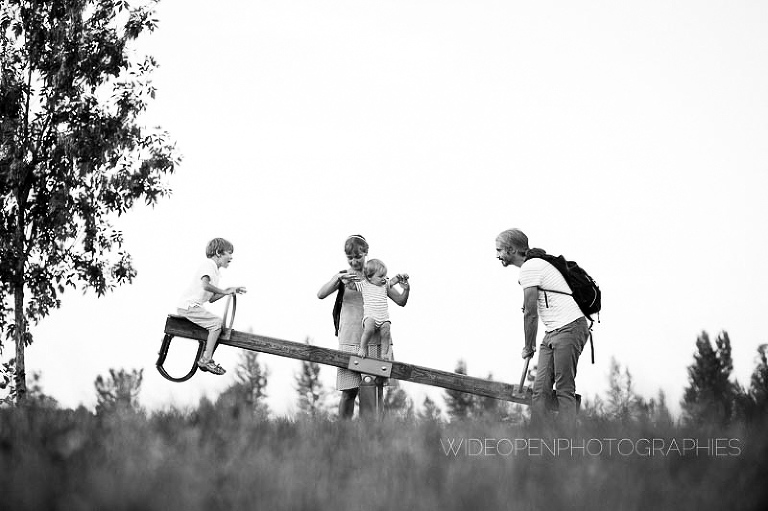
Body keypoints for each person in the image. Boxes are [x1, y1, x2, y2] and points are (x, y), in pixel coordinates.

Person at [495, 228, 589, 425]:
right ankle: (538, 440)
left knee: (564, 389)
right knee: (540, 390)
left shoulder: (530, 268)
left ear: (511, 250)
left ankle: (566, 442)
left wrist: (528, 346)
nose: (497, 255)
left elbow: (530, 313)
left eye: (500, 250)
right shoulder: (533, 267)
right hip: (553, 332)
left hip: (570, 328)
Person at [317, 235, 410, 419]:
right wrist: (338, 278)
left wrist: (406, 288)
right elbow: (320, 294)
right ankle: (343, 433)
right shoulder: (344, 277)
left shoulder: (376, 277)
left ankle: (374, 432)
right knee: (349, 391)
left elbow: (400, 301)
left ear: (365, 253)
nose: (354, 261)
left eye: (358, 257)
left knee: (376, 391)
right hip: (350, 340)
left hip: (375, 340)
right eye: (350, 257)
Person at [176, 238, 247, 376]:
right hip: (188, 306)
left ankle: (206, 358)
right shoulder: (209, 264)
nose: (231, 257)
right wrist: (225, 291)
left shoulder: (215, 272)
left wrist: (228, 290)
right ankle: (206, 360)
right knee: (216, 324)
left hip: (192, 306)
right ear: (218, 253)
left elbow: (212, 298)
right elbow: (205, 285)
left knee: (216, 324)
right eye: (229, 253)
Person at [353, 258, 408, 361]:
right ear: (369, 277)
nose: (384, 278)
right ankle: (363, 347)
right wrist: (347, 281)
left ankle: (384, 354)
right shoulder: (365, 284)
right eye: (380, 276)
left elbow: (392, 281)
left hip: (383, 317)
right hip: (370, 316)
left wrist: (400, 277)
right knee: (369, 329)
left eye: (384, 275)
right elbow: (353, 286)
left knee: (386, 331)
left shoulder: (384, 284)